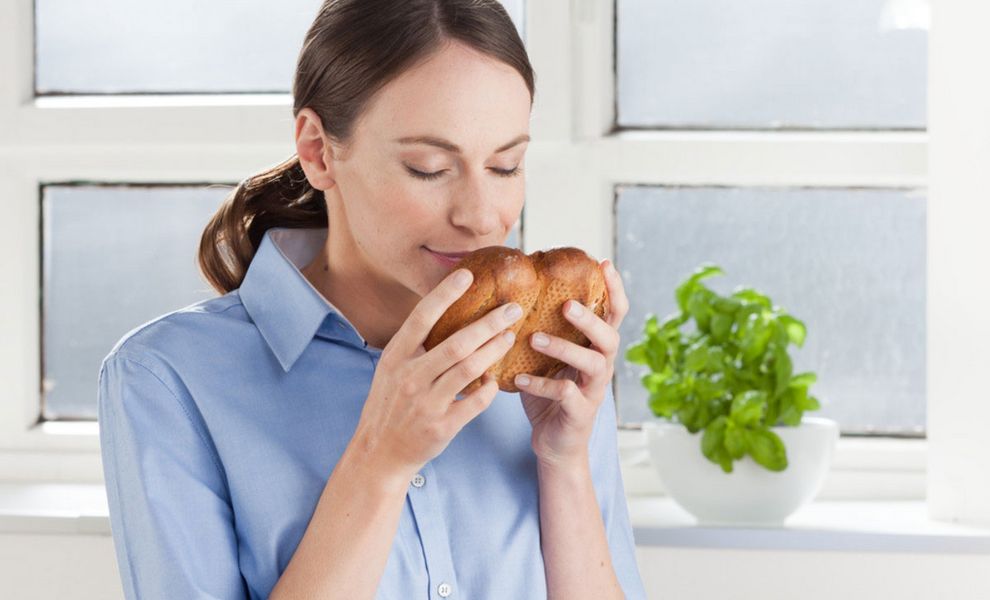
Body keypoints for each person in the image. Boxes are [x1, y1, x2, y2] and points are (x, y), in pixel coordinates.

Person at [97, 1, 647, 598]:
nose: (483, 216)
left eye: (505, 165)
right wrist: (380, 463)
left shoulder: (554, 366)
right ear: (318, 150)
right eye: (429, 168)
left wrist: (564, 462)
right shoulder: (166, 379)